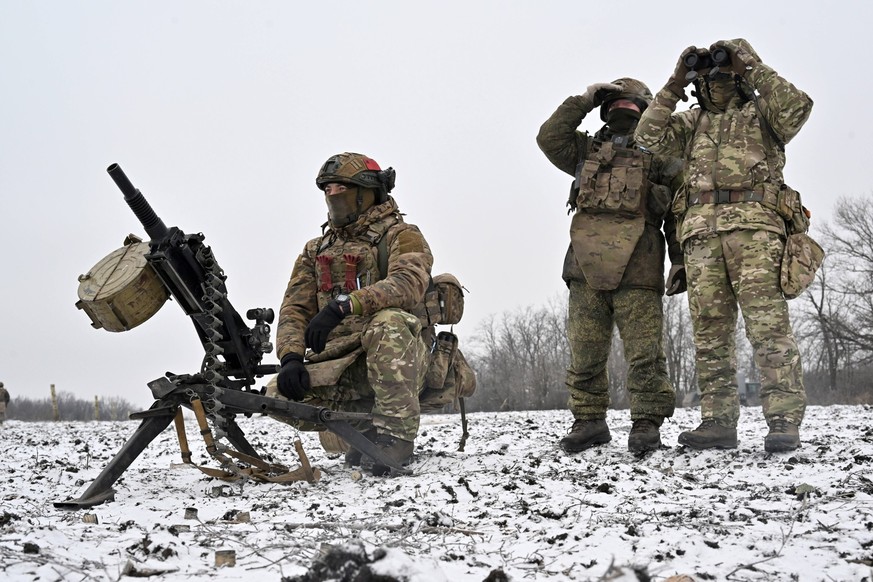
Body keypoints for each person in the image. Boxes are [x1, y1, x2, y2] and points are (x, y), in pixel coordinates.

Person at [634, 39, 813, 452]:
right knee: (709, 334)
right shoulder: (690, 123)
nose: (716, 78)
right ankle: (717, 421)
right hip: (700, 237)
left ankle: (783, 419)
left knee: (767, 327)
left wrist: (750, 65)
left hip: (755, 233)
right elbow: (647, 137)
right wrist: (676, 81)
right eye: (710, 72)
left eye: (724, 69)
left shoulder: (762, 116)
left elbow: (796, 108)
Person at [536, 78, 683, 454]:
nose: (624, 111)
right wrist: (584, 99)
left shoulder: (662, 154)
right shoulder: (585, 150)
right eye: (616, 104)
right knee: (585, 351)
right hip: (585, 267)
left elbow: (678, 214)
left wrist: (680, 260)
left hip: (640, 268)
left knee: (644, 352)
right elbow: (549, 138)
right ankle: (588, 421)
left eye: (632, 105)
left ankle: (646, 424)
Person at [269, 152, 434, 475]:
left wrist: (345, 305)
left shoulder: (401, 235)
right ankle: (362, 432)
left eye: (341, 188)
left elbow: (408, 284)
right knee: (276, 393)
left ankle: (397, 436)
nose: (333, 197)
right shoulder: (315, 249)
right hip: (342, 364)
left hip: (400, 357)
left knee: (390, 323)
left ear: (367, 191)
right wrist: (290, 357)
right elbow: (294, 309)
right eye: (327, 190)